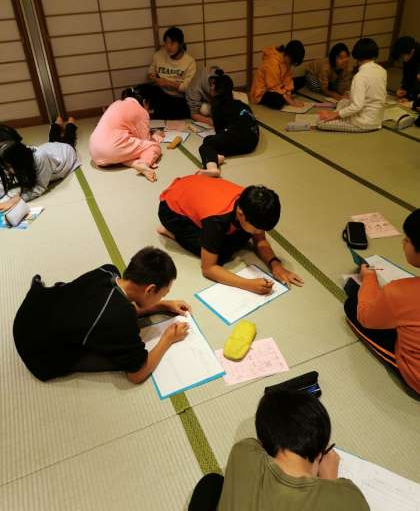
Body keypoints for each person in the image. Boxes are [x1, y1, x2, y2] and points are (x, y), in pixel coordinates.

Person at [13, 247, 190, 383]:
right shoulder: (120, 317)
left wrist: (162, 305)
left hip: (32, 311)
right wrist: (168, 338)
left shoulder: (107, 271)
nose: (163, 298)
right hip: (38, 352)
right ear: (150, 289)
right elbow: (136, 374)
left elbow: (112, 307)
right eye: (163, 294)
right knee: (120, 358)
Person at [189, 389, 369, 511]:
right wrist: (331, 480)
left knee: (212, 482)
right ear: (321, 451)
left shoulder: (243, 451)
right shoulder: (351, 499)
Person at [157, 175, 304, 292]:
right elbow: (208, 269)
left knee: (242, 236)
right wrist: (248, 284)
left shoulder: (252, 202)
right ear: (240, 213)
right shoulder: (217, 220)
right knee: (221, 255)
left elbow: (260, 241)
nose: (259, 233)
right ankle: (173, 233)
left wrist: (276, 265)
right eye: (257, 229)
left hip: (193, 187)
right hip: (171, 209)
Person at [344, 209, 420, 395]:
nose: (403, 242)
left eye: (407, 240)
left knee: (352, 305)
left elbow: (366, 317)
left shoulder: (401, 292)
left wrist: (369, 279)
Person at [0, 117, 79, 211]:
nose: (8, 170)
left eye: (10, 167)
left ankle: (70, 123)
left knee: (69, 139)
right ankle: (57, 123)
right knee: (53, 139)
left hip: (65, 154)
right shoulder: (12, 156)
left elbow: (40, 187)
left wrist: (17, 199)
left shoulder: (39, 158)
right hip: (50, 148)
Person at [89, 87, 163, 182]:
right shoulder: (141, 111)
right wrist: (156, 135)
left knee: (125, 148)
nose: (149, 110)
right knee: (153, 146)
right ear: (145, 102)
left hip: (95, 153)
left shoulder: (116, 103)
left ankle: (131, 162)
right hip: (112, 150)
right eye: (149, 107)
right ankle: (144, 163)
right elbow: (145, 140)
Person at [317, 38, 386, 132]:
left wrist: (335, 115)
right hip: (377, 118)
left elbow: (357, 106)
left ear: (356, 55)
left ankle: (335, 114)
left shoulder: (360, 76)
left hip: (362, 123)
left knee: (320, 122)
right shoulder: (382, 71)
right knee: (343, 101)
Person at [197, 73, 259, 178]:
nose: (210, 88)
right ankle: (216, 157)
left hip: (242, 139)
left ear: (216, 89)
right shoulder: (240, 104)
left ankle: (212, 169)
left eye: (212, 85)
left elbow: (219, 131)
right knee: (212, 141)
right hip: (253, 140)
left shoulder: (218, 107)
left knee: (207, 144)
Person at [144, 26, 196, 119]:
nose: (168, 47)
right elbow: (151, 71)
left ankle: (153, 113)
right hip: (161, 92)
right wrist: (153, 77)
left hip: (178, 97)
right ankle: (152, 112)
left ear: (180, 44)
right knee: (140, 91)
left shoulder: (190, 62)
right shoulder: (159, 55)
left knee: (183, 110)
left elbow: (186, 87)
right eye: (166, 43)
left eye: (172, 43)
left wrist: (167, 82)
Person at [250, 40, 306, 109]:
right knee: (278, 101)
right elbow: (273, 86)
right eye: (292, 61)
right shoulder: (272, 62)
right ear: (288, 54)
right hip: (264, 91)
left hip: (279, 86)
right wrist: (289, 100)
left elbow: (288, 79)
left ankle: (284, 97)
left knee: (302, 80)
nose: (291, 64)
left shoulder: (286, 60)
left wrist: (288, 93)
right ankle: (283, 98)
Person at [391, 36, 420, 102]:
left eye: (402, 56)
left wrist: (410, 96)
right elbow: (407, 78)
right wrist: (403, 90)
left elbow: (417, 81)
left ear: (412, 51)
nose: (401, 59)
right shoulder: (408, 58)